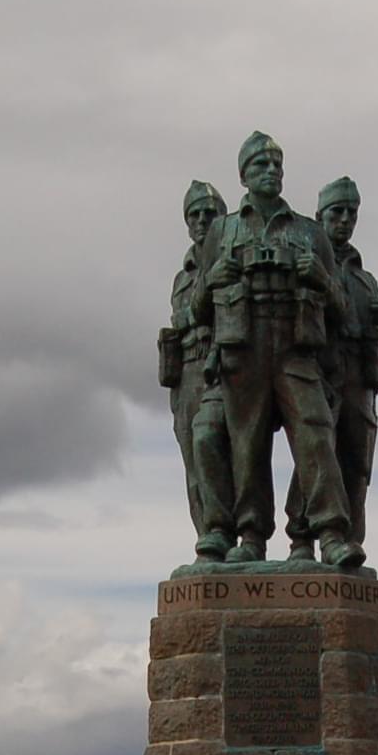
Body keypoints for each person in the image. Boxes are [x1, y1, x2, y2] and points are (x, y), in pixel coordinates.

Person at [182, 131, 360, 568]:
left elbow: (342, 309)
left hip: (295, 347)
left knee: (315, 432)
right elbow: (195, 308)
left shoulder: (309, 231)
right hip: (243, 345)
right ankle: (251, 535)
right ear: (244, 174)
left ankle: (331, 533)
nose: (272, 171)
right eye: (261, 164)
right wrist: (216, 275)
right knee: (247, 445)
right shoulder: (222, 231)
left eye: (277, 164)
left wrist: (319, 275)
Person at [287, 173, 378, 554]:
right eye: (337, 212)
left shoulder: (366, 281)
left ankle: (349, 541)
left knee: (357, 463)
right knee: (315, 453)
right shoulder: (309, 264)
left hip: (360, 377)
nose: (345, 219)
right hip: (319, 370)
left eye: (351, 212)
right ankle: (301, 537)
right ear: (320, 216)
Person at [159, 180, 227, 538]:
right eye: (194, 214)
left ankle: (229, 532)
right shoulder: (181, 277)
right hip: (186, 372)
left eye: (208, 213)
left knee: (218, 451)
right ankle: (207, 537)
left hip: (223, 368)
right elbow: (182, 318)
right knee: (193, 463)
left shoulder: (230, 262)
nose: (201, 220)